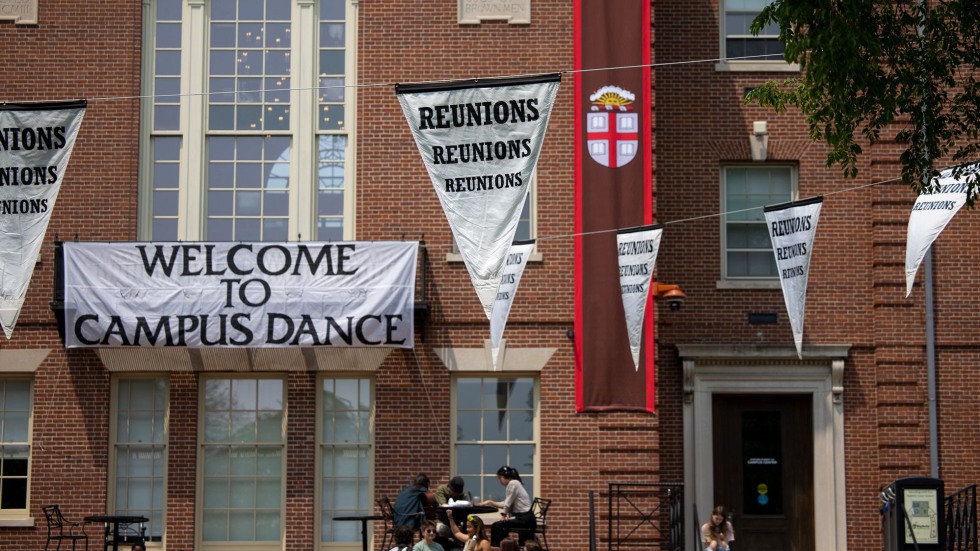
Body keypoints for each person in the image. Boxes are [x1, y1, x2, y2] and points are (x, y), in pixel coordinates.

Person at [480, 466, 534, 546]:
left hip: (525, 519)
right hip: (526, 518)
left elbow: (507, 503)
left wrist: (504, 514)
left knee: (497, 526)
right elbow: (506, 503)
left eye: (500, 478)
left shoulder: (513, 483)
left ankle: (498, 548)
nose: (500, 481)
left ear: (505, 476)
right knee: (501, 525)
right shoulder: (515, 483)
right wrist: (490, 502)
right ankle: (506, 546)